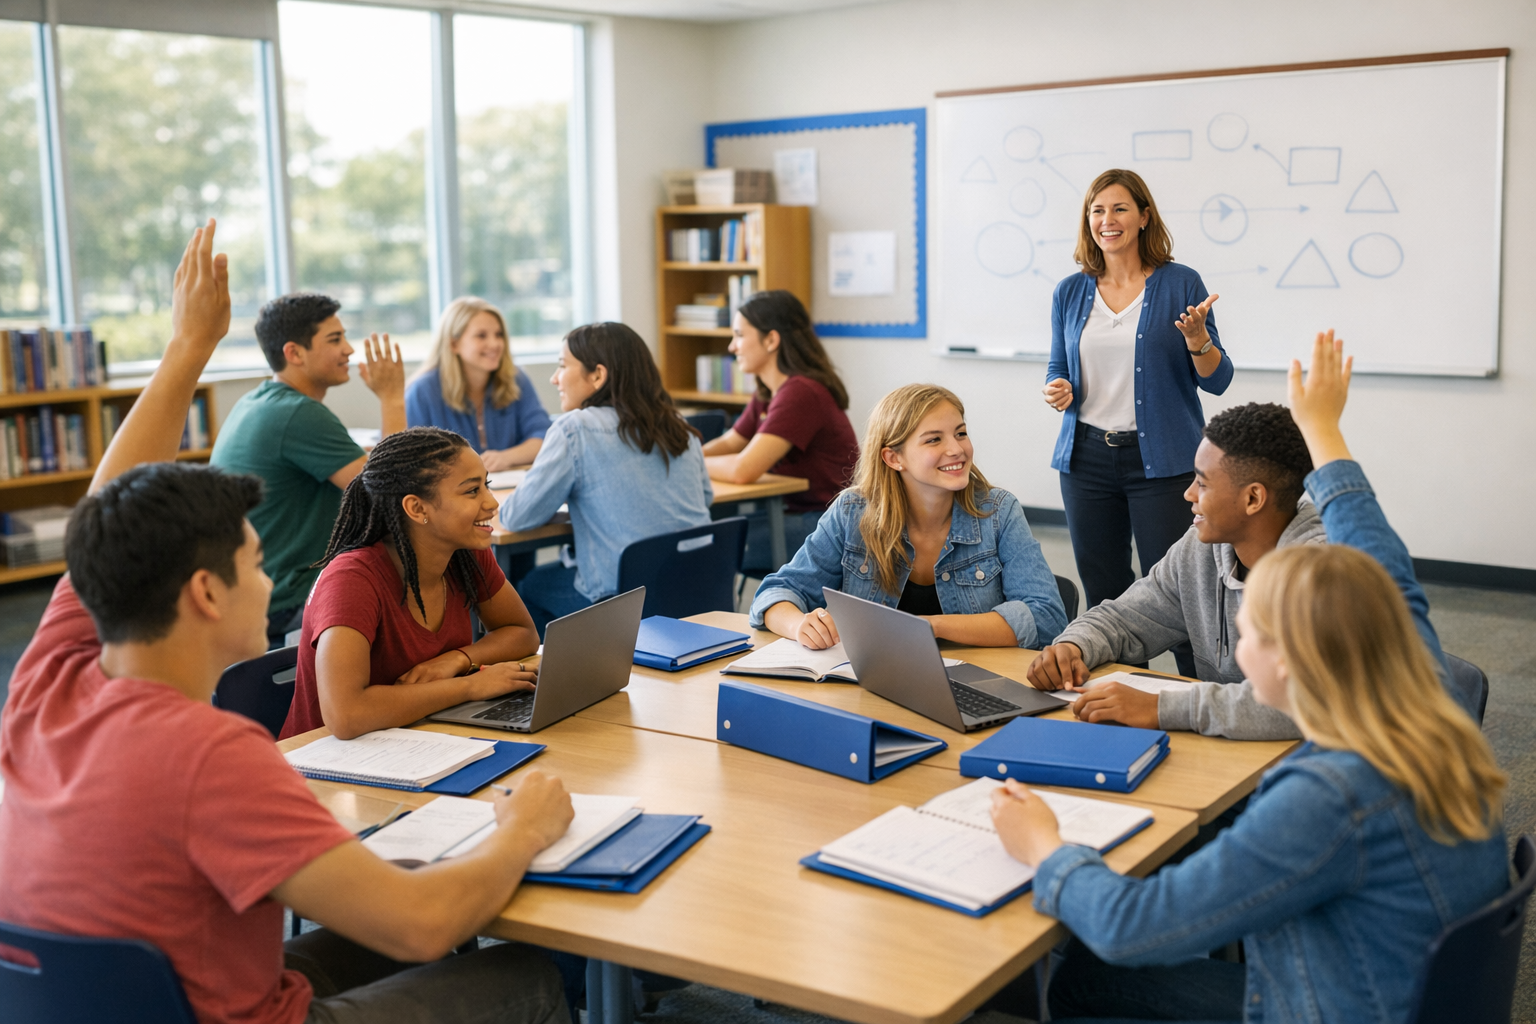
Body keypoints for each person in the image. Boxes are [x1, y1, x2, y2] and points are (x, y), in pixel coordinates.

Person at [0, 220, 576, 1024]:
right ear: (205, 592)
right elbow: (420, 925)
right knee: (525, 972)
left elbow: (106, 506)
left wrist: (188, 348)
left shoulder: (43, 682)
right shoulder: (213, 756)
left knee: (379, 936)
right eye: (254, 562)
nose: (271, 576)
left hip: (119, 1000)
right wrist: (521, 829)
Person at [988, 332, 1508, 1024]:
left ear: (1289, 659)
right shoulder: (1402, 677)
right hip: (1393, 989)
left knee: (1086, 973)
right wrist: (1323, 426)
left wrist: (1044, 847)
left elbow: (1130, 924)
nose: (1238, 637)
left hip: (1316, 1006)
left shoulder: (1324, 796)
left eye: (1253, 627)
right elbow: (1379, 554)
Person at [1026, 400, 1323, 740]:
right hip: (1234, 751)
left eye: (1203, 484)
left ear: (1253, 499)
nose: (1188, 494)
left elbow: (1298, 701)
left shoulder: (1318, 573)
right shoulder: (1201, 547)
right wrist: (1073, 647)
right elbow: (1124, 617)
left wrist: (1159, 708)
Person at [1043, 169, 1233, 676]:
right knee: (1105, 596)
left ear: (1144, 216)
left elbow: (1218, 381)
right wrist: (1057, 388)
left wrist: (1199, 341)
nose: (1108, 220)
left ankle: (1201, 699)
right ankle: (1122, 702)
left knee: (1180, 593)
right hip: (1085, 460)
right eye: (1098, 210)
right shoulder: (1070, 290)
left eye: (1120, 208)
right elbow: (1059, 366)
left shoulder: (1180, 283)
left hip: (1163, 464)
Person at [751, 383, 1068, 650]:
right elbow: (775, 594)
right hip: (876, 686)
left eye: (960, 433)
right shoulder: (852, 511)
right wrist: (799, 626)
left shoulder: (998, 511)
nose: (956, 449)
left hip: (975, 685)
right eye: (934, 439)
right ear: (893, 457)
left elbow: (1047, 617)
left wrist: (930, 627)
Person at [279, 426, 542, 741]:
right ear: (417, 509)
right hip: (328, 767)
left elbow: (522, 633)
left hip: (418, 738)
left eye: (485, 485)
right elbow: (345, 715)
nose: (492, 503)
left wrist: (458, 659)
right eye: (472, 491)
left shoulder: (465, 553)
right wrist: (469, 686)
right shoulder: (351, 579)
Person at [211, 292, 405, 646]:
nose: (348, 349)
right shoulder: (299, 414)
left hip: (253, 596)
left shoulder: (259, 401)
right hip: (289, 603)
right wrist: (392, 397)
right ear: (294, 353)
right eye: (335, 340)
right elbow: (391, 493)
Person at [501, 322, 712, 636]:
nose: (554, 378)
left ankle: (566, 682)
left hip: (621, 605)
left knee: (528, 587)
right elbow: (706, 498)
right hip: (697, 592)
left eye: (562, 366)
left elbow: (517, 516)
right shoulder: (679, 426)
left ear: (598, 376)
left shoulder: (575, 429)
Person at [702, 290, 858, 573]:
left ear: (771, 339)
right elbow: (732, 442)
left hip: (827, 525)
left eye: (739, 335)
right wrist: (687, 453)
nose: (731, 347)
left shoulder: (801, 392)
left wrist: (689, 462)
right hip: (795, 514)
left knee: (710, 545)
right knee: (708, 537)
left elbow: (743, 469)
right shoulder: (769, 391)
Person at [406, 296, 552, 469]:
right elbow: (413, 461)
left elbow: (545, 436)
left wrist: (506, 458)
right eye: (481, 336)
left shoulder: (516, 379)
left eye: (499, 335)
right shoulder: (422, 391)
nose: (495, 344)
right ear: (454, 344)